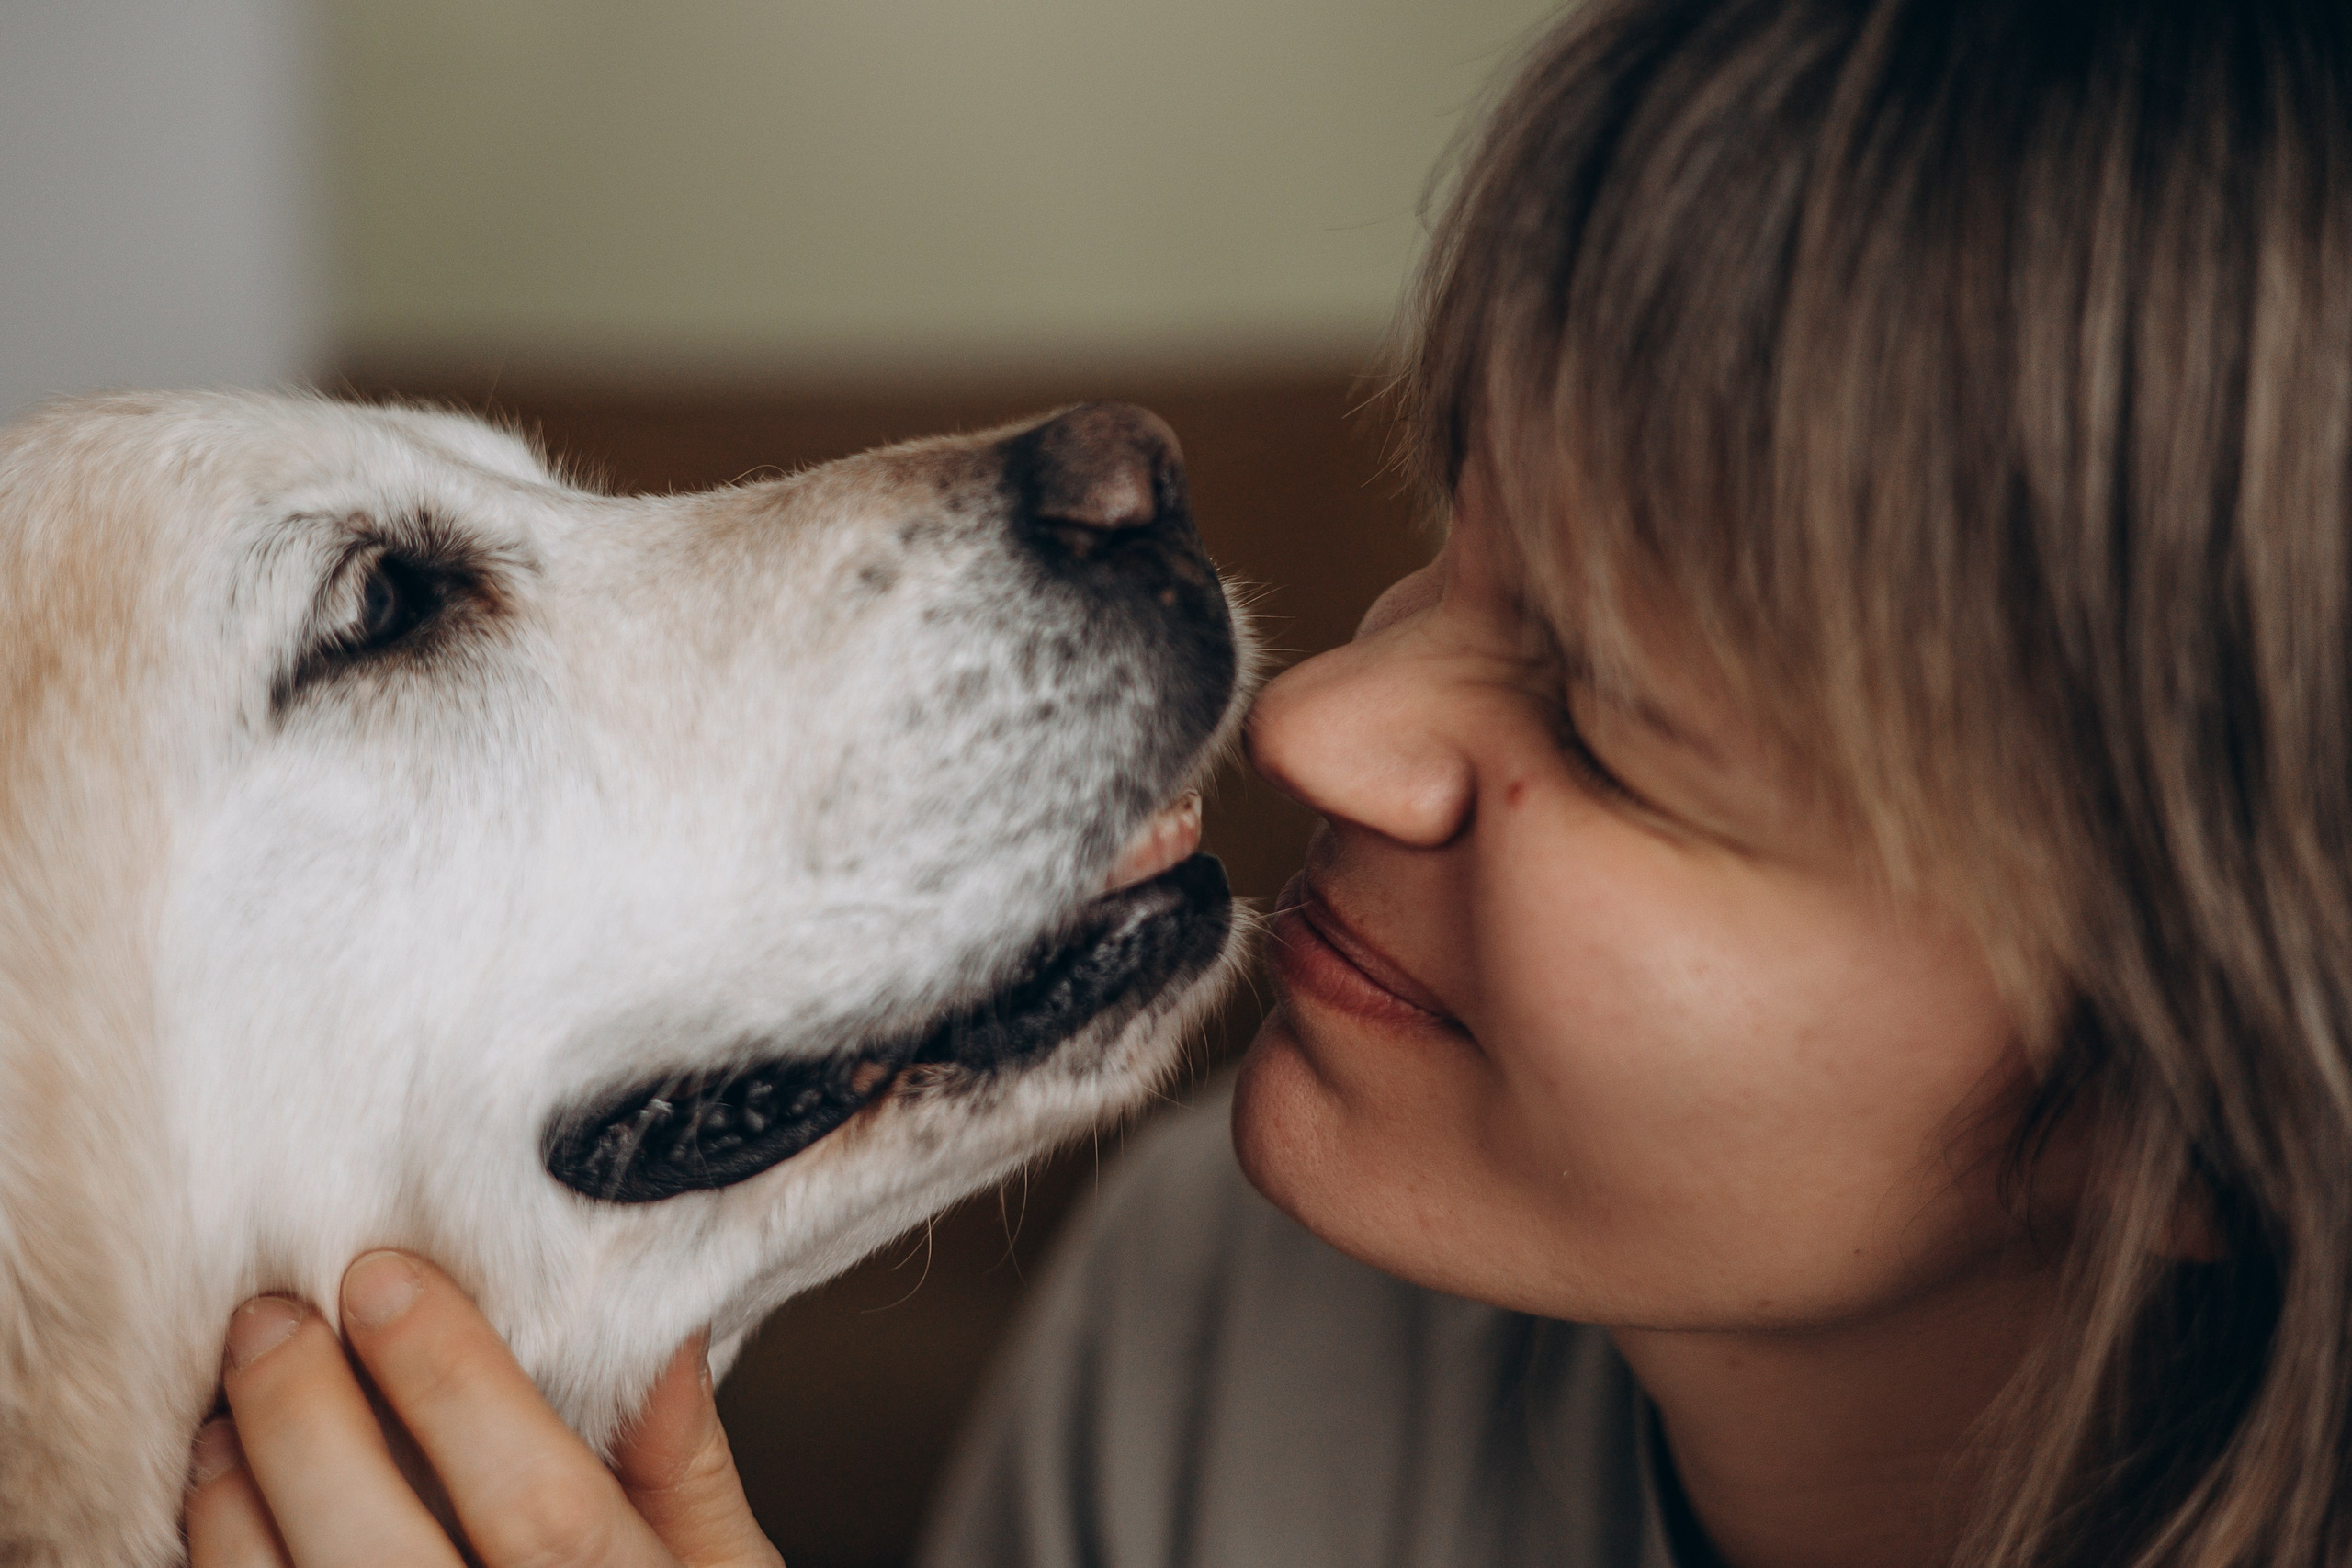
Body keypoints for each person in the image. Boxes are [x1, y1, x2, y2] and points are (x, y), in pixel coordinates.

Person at [185, 0, 2352, 1563]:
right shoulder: (1219, 1320)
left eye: (1609, 733)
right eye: (1453, 541)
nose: (1313, 720)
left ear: (2172, 1106)